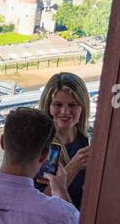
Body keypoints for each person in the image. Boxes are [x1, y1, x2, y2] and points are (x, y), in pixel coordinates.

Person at [36, 71, 92, 209]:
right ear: (48, 107)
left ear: (82, 107)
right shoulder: (38, 147)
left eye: (72, 105)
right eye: (58, 105)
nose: (65, 112)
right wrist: (74, 166)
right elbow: (38, 202)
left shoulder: (87, 140)